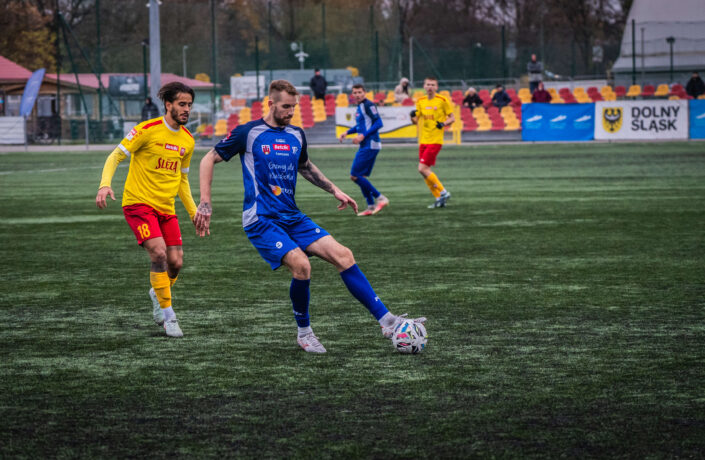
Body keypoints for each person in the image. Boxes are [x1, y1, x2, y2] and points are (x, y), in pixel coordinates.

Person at [194, 80, 425, 353]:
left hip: (292, 216)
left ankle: (387, 321)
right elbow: (208, 159)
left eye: (294, 107)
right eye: (285, 106)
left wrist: (335, 190)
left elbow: (305, 167)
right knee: (301, 266)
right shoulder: (249, 132)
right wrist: (205, 203)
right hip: (261, 219)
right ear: (270, 103)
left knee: (344, 255)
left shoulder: (296, 134)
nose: (291, 112)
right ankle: (304, 333)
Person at [95, 82, 198, 338]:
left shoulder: (188, 140)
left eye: (189, 105)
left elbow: (183, 180)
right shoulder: (146, 130)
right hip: (138, 204)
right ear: (168, 104)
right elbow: (115, 156)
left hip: (166, 208)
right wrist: (105, 184)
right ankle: (169, 316)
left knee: (176, 263)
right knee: (159, 253)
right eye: (182, 104)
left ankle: (157, 292)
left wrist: (194, 212)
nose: (187, 109)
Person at [338, 83, 389, 216]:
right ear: (352, 94)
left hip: (370, 144)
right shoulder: (359, 107)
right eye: (355, 92)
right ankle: (370, 207)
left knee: (355, 175)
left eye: (359, 92)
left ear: (364, 93)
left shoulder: (368, 105)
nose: (357, 95)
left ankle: (380, 198)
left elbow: (379, 122)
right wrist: (347, 132)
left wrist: (363, 136)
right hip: (366, 144)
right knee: (361, 177)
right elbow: (360, 126)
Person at [410, 77, 455, 209]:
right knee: (425, 171)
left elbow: (452, 118)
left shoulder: (442, 100)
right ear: (424, 86)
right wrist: (411, 116)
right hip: (423, 140)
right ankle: (439, 198)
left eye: (432, 85)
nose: (430, 87)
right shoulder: (420, 101)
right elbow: (415, 121)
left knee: (422, 168)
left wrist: (443, 123)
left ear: (436, 87)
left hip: (435, 140)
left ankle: (443, 192)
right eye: (428, 84)